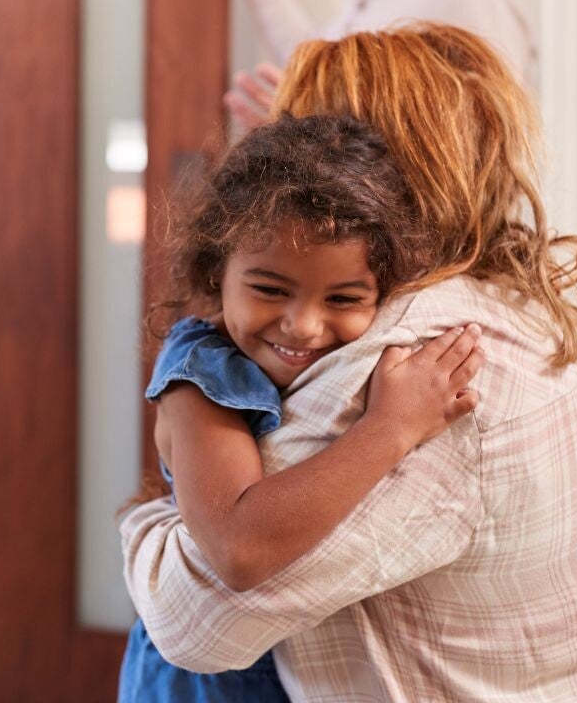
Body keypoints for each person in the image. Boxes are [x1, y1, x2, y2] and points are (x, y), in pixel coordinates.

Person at [121, 25, 577, 701]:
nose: (304, 323)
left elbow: (193, 621)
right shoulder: (530, 306)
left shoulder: (410, 358)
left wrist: (152, 514)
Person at [117, 114, 484, 702]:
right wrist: (390, 428)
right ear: (218, 270)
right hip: (200, 688)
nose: (304, 326)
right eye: (269, 289)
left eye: (343, 298)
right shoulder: (201, 377)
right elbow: (240, 547)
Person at [226, 0, 536, 131]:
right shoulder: (368, 2)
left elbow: (490, 142)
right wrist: (302, 128)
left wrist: (319, 125)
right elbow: (314, 67)